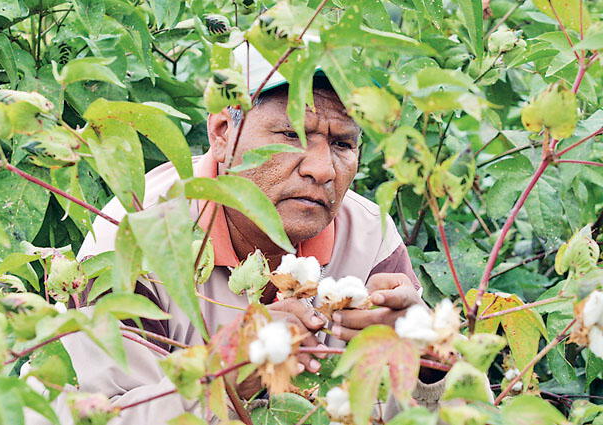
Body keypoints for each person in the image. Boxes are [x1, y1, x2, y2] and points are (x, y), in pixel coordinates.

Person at [24, 46, 445, 424]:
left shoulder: (370, 237)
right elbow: (89, 413)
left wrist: (423, 359)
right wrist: (225, 379)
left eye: (343, 144)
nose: (322, 169)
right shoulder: (137, 235)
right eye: (292, 135)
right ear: (223, 133)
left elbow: (428, 414)